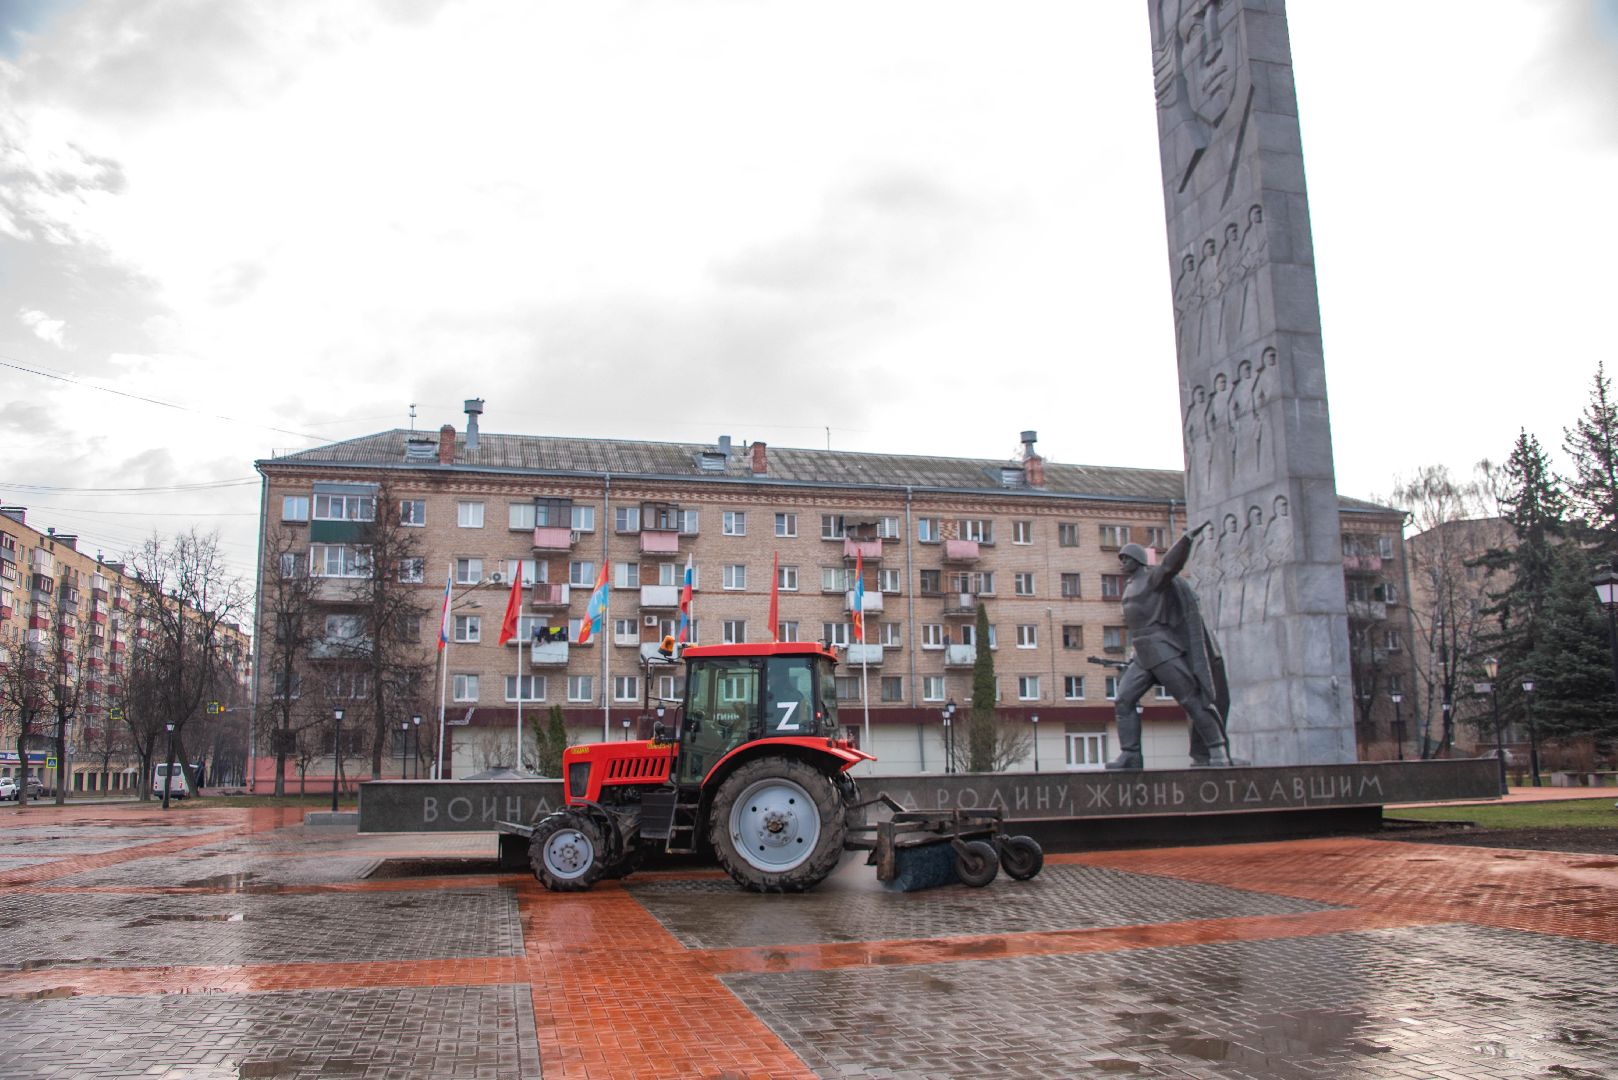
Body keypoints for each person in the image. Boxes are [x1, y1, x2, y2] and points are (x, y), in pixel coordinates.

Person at [1105, 525, 1232, 769]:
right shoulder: (1130, 586)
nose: (1121, 562)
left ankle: (1217, 750)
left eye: (1126, 558)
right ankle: (1130, 754)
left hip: (1162, 648)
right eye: (1121, 558)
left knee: (1191, 699)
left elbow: (1170, 565)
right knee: (1123, 700)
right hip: (1142, 652)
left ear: (1138, 560)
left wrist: (1185, 539)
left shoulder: (1153, 580)